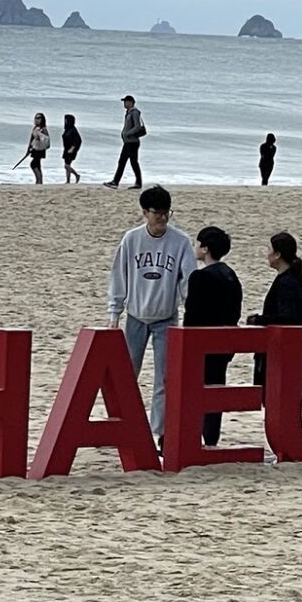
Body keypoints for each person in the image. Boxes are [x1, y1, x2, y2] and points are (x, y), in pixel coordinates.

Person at [107, 185, 197, 451]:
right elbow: (118, 277)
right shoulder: (131, 239)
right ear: (145, 212)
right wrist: (114, 312)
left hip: (166, 318)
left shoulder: (180, 241)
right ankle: (123, 426)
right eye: (157, 213)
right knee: (127, 375)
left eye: (166, 213)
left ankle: (160, 432)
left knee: (165, 379)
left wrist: (189, 309)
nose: (162, 218)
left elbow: (187, 280)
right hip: (135, 315)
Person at [183, 226, 243, 447]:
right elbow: (235, 311)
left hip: (202, 343)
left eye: (197, 244)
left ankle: (196, 436)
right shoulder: (230, 275)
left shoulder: (200, 277)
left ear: (205, 248)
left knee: (196, 391)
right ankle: (211, 437)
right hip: (224, 341)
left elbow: (193, 313)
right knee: (216, 388)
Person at [247, 231, 302, 401]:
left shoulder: (287, 283)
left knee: (280, 402)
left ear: (278, 254)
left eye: (269, 249)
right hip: (290, 355)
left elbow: (288, 318)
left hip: (284, 357)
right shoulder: (294, 279)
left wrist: (258, 320)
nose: (267, 254)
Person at [104, 95, 145, 190]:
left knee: (131, 162)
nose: (124, 104)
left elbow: (137, 126)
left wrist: (127, 134)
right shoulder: (129, 113)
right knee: (124, 162)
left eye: (125, 102)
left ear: (130, 102)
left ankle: (136, 183)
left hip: (132, 142)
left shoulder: (134, 113)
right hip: (128, 142)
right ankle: (116, 182)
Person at [28, 113, 50, 185]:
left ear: (42, 119)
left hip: (40, 149)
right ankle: (39, 180)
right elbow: (31, 139)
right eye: (36, 118)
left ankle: (39, 180)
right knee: (37, 164)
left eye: (39, 118)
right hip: (34, 148)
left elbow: (46, 140)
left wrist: (39, 136)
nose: (37, 119)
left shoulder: (43, 129)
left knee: (33, 164)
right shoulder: (35, 128)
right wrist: (29, 148)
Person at [61, 114, 82, 184]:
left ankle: (76, 175)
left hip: (71, 150)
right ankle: (68, 180)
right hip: (66, 149)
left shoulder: (73, 130)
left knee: (66, 166)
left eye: (66, 120)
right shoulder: (67, 129)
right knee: (67, 165)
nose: (65, 121)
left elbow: (78, 140)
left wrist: (72, 148)